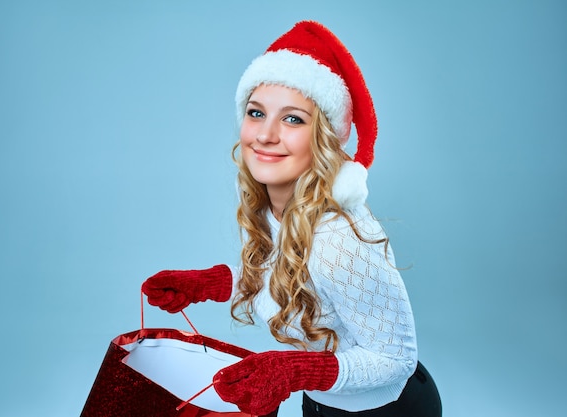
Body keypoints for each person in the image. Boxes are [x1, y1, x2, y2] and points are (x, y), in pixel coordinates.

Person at [142, 21, 442, 417]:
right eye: (256, 113)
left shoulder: (339, 240)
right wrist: (210, 282)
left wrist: (292, 371)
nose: (265, 135)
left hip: (386, 409)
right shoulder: (272, 204)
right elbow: (281, 272)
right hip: (321, 402)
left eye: (293, 119)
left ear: (324, 138)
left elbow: (397, 360)